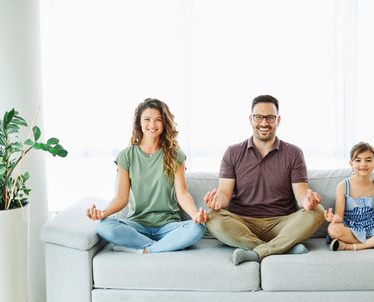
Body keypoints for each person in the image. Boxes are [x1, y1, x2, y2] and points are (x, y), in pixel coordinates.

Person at [204, 95, 324, 265]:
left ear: (278, 120)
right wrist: (216, 202)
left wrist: (308, 202)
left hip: (281, 223)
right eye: (258, 117)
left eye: (270, 117)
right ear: (250, 119)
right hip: (243, 223)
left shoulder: (293, 153)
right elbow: (224, 194)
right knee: (212, 217)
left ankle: (259, 251)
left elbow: (301, 195)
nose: (264, 123)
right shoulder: (233, 152)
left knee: (318, 212)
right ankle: (282, 248)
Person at [86, 98, 207, 253]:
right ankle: (162, 247)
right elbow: (121, 198)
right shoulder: (126, 156)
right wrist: (103, 213)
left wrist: (195, 215)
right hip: (137, 225)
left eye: (158, 120)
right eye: (147, 119)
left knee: (197, 228)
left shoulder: (176, 155)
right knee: (104, 227)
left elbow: (182, 194)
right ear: (139, 123)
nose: (152, 125)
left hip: (168, 226)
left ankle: (144, 249)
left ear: (164, 123)